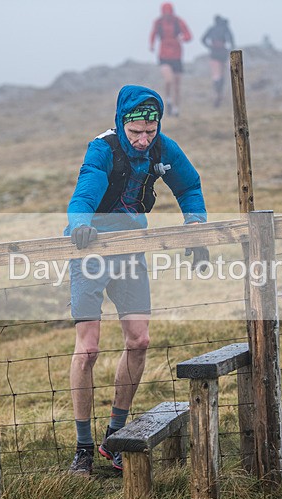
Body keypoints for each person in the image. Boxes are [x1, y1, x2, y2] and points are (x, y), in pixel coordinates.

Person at [65, 85, 209, 475]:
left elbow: (189, 186)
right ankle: (82, 448)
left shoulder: (163, 148)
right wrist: (80, 225)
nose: (144, 140)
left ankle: (114, 437)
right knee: (89, 348)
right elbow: (85, 191)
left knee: (140, 340)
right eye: (136, 134)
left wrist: (195, 230)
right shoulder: (103, 149)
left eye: (150, 131)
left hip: (130, 248)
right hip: (89, 251)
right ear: (121, 125)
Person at [149, 3, 192, 117]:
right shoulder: (158, 22)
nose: (167, 15)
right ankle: (168, 100)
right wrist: (152, 45)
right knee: (169, 80)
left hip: (177, 56)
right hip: (164, 56)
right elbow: (153, 34)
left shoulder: (178, 21)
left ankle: (176, 109)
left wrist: (182, 38)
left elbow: (188, 35)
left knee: (177, 85)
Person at [201, 15, 235, 108]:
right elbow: (231, 40)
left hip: (214, 53)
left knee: (216, 75)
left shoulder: (212, 28)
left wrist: (210, 47)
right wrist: (230, 49)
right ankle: (219, 94)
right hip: (223, 52)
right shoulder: (225, 28)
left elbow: (203, 39)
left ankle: (217, 93)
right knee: (222, 75)